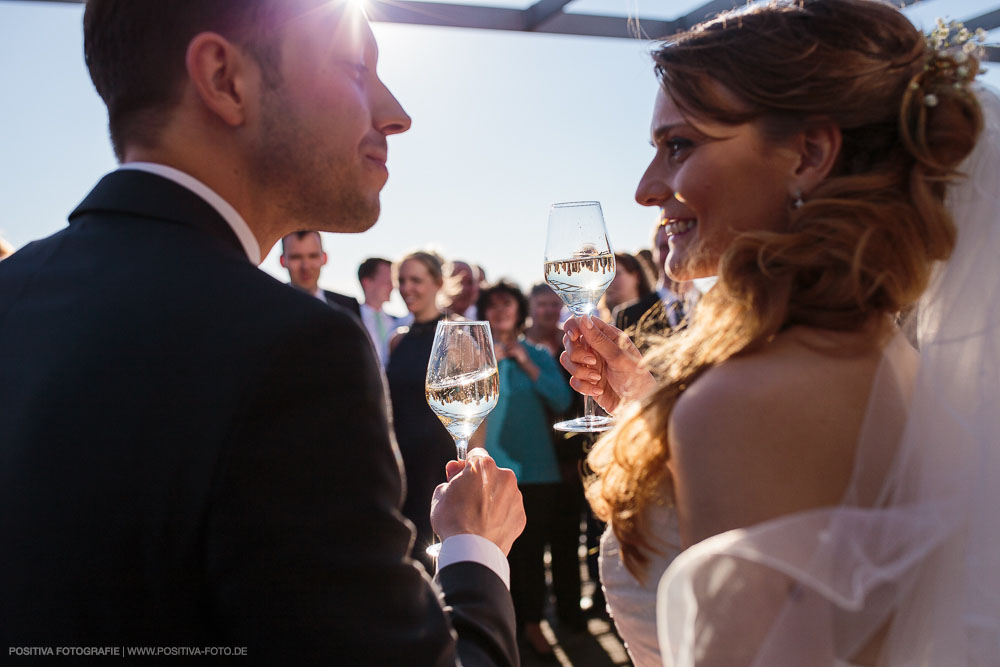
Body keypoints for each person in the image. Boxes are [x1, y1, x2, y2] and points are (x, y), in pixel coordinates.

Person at [0, 2, 525, 664]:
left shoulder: (13, 294)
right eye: (356, 68)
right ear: (224, 78)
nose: (395, 112)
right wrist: (475, 549)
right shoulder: (297, 350)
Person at [561, 1, 995, 665]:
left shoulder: (746, 404)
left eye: (679, 146)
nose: (647, 189)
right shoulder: (880, 355)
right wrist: (643, 401)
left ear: (810, 153)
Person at [478, 280, 573, 659]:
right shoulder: (476, 355)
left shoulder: (538, 353)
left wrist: (523, 360)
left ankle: (532, 625)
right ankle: (498, 628)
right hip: (491, 471)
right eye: (492, 305)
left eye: (507, 304)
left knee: (532, 555)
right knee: (495, 557)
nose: (500, 311)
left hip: (537, 472)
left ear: (520, 310)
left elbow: (562, 398)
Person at [386, 251, 454, 570]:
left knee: (439, 550)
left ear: (438, 283)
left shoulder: (456, 335)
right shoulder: (397, 341)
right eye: (402, 280)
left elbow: (472, 407)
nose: (407, 288)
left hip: (439, 462)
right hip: (401, 462)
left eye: (416, 280)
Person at [613, 221, 698, 352]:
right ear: (654, 254)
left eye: (680, 244)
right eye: (665, 247)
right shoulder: (629, 316)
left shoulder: (720, 307)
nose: (672, 252)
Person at [280, 230, 361, 318]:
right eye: (296, 257)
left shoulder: (348, 306)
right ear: (282, 261)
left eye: (313, 256)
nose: (306, 266)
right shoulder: (268, 306)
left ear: (324, 258)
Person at [357, 256, 396, 366]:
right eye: (387, 282)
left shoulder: (398, 322)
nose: (392, 287)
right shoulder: (352, 320)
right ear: (367, 283)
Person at [602, 252, 653, 320]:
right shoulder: (604, 324)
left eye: (615, 274)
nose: (608, 282)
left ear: (637, 277)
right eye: (605, 276)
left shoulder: (657, 315)